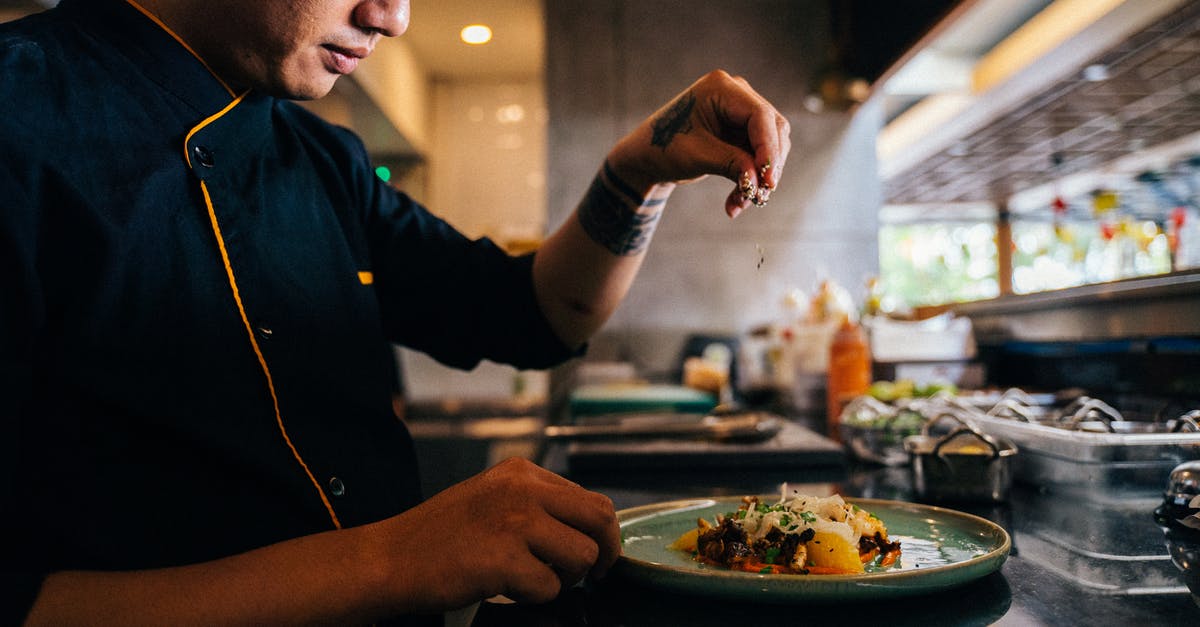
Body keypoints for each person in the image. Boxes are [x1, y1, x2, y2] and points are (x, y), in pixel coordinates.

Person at [0, 0, 791, 624]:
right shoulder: (18, 114)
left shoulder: (318, 159)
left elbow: (535, 314)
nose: (394, 15)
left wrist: (639, 168)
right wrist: (394, 559)